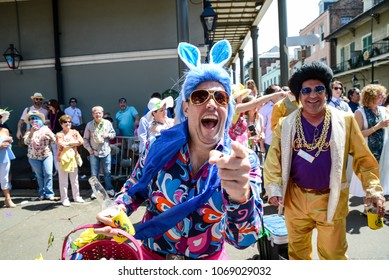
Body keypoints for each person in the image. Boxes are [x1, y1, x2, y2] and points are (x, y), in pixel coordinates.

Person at [95, 40, 263, 260]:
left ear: (227, 109)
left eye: (220, 98)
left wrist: (241, 197)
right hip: (152, 259)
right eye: (200, 97)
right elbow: (133, 190)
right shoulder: (160, 147)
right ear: (186, 107)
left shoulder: (243, 162)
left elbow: (244, 240)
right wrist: (116, 211)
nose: (211, 104)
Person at [264, 61, 386, 260]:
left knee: (333, 256)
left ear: (327, 92)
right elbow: (273, 160)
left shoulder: (345, 121)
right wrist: (274, 189)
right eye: (306, 90)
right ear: (299, 95)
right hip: (295, 200)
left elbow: (364, 160)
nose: (313, 95)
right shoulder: (285, 124)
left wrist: (373, 189)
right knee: (298, 255)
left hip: (332, 199)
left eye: (319, 89)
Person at [349, 84, 389, 211]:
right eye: (380, 95)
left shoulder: (384, 110)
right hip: (367, 151)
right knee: (368, 179)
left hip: (383, 150)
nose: (383, 97)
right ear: (371, 97)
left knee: (380, 177)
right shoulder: (359, 112)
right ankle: (368, 208)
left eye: (383, 95)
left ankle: (378, 207)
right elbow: (358, 134)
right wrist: (378, 126)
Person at [83, 106, 116, 197]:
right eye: (96, 113)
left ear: (102, 113)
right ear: (93, 114)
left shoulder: (107, 123)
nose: (98, 114)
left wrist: (108, 135)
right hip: (94, 152)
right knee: (94, 174)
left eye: (100, 113)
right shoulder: (89, 125)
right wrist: (89, 149)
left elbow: (113, 134)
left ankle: (109, 189)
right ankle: (95, 191)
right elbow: (85, 139)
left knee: (107, 172)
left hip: (106, 151)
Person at [23, 111, 56, 201]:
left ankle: (49, 194)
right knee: (39, 175)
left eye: (35, 118)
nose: (33, 120)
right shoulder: (29, 131)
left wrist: (50, 136)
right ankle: (42, 193)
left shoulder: (46, 129)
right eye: (31, 119)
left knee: (48, 173)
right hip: (34, 157)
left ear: (40, 120)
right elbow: (26, 142)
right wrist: (31, 132)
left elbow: (54, 140)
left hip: (46, 154)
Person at [56, 115, 85, 207]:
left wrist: (68, 143)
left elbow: (81, 141)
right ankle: (64, 198)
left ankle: (76, 196)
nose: (68, 124)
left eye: (69, 122)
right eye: (65, 122)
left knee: (75, 179)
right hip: (62, 158)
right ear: (61, 124)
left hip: (73, 157)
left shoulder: (75, 132)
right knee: (63, 180)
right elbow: (61, 144)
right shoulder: (59, 134)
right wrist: (73, 143)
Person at [258, 84, 286, 154]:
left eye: (281, 89)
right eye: (279, 91)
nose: (282, 92)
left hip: (284, 142)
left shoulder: (285, 105)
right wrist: (262, 146)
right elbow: (261, 128)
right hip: (270, 143)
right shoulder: (265, 109)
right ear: (272, 95)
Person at [0, 109, 16, 208]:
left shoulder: (5, 130)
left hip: (4, 157)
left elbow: (10, 141)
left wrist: (9, 142)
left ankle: (8, 199)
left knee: (4, 178)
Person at [46, 99, 65, 174]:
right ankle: (56, 169)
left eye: (50, 105)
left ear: (54, 105)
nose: (48, 107)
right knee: (54, 152)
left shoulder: (61, 113)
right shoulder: (49, 114)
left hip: (60, 134)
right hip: (52, 134)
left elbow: (64, 125)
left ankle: (62, 168)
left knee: (61, 151)